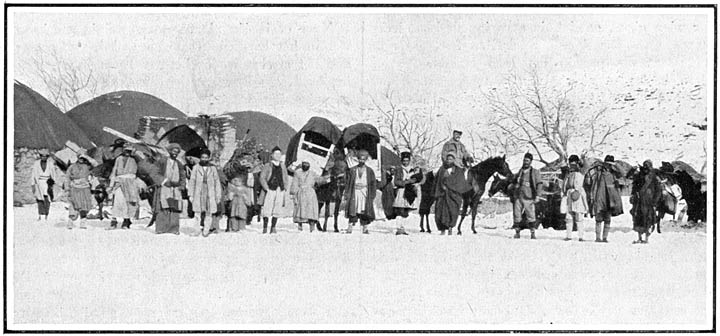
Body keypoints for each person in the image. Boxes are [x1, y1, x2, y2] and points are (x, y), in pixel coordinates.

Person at [584, 155, 624, 243]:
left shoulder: (614, 172)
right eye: (607, 164)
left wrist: (615, 165)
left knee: (607, 219)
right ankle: (598, 237)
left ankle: (605, 237)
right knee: (598, 219)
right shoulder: (598, 172)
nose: (608, 166)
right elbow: (589, 177)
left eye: (610, 164)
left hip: (610, 199)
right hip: (599, 197)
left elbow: (622, 174)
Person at [188, 148, 224, 237]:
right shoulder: (196, 168)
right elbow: (192, 181)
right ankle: (196, 230)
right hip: (199, 192)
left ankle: (206, 230)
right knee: (197, 212)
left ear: (209, 158)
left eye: (206, 157)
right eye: (202, 157)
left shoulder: (212, 168)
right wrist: (191, 194)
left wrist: (218, 195)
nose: (204, 159)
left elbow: (217, 182)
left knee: (209, 212)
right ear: (200, 158)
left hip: (209, 192)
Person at [434, 152, 471, 235]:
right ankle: (442, 229)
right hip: (442, 194)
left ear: (454, 160)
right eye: (447, 159)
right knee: (440, 212)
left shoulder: (458, 170)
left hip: (453, 195)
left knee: (452, 211)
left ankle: (450, 227)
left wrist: (449, 186)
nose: (448, 161)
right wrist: (441, 186)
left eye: (451, 159)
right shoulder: (442, 169)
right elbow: (437, 180)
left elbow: (460, 183)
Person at [153, 143, 186, 235]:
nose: (175, 153)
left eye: (177, 152)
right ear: (169, 151)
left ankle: (173, 229)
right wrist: (163, 181)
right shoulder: (162, 161)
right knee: (163, 207)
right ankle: (161, 228)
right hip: (164, 187)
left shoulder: (179, 163)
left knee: (174, 208)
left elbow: (183, 176)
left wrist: (182, 185)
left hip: (175, 188)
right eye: (173, 151)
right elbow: (155, 173)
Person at [258, 146, 292, 234]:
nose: (278, 156)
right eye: (276, 154)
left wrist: (285, 187)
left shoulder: (282, 165)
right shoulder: (268, 165)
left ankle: (273, 227)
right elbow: (262, 178)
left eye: (279, 154)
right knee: (267, 208)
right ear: (272, 155)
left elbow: (285, 177)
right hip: (270, 189)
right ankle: (265, 227)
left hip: (279, 189)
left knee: (277, 208)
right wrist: (266, 188)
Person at [343, 149, 377, 234]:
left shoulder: (370, 171)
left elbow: (373, 184)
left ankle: (365, 228)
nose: (362, 161)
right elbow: (348, 183)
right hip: (355, 191)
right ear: (358, 159)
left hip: (365, 192)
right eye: (360, 159)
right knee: (353, 209)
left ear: (366, 160)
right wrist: (347, 193)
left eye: (363, 159)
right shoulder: (352, 170)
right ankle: (350, 226)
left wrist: (372, 195)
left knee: (364, 209)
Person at [290, 161, 329, 232]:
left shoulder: (312, 173)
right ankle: (300, 226)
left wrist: (327, 178)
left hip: (311, 193)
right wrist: (294, 194)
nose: (305, 166)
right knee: (301, 209)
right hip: (301, 192)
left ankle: (312, 227)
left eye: (307, 165)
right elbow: (294, 184)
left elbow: (319, 179)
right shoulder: (297, 173)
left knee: (311, 210)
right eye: (304, 165)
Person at [108, 143, 140, 229]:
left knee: (128, 201)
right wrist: (111, 185)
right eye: (126, 150)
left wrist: (135, 153)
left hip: (130, 183)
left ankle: (126, 221)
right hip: (119, 182)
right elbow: (114, 171)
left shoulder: (134, 160)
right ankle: (114, 220)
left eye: (129, 151)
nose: (127, 153)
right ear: (123, 150)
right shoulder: (119, 159)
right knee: (118, 200)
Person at [511, 153, 543, 239]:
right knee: (517, 215)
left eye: (527, 161)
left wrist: (538, 195)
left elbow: (539, 184)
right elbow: (514, 182)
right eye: (524, 160)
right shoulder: (520, 172)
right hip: (519, 196)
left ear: (531, 162)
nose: (525, 162)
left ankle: (532, 233)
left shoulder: (535, 172)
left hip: (529, 197)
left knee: (531, 215)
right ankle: (517, 232)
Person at [630, 160, 662, 244]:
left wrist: (655, 201)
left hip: (649, 202)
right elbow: (634, 187)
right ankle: (640, 237)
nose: (646, 168)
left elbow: (658, 190)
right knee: (638, 219)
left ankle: (646, 238)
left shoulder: (654, 177)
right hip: (639, 201)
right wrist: (633, 196)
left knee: (648, 219)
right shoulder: (639, 176)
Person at [392, 151, 423, 235]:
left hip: (409, 191)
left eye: (407, 160)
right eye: (404, 161)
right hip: (401, 191)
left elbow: (418, 179)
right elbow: (396, 182)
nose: (405, 162)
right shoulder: (399, 169)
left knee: (406, 211)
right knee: (400, 210)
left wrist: (414, 181)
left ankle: (403, 228)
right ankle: (399, 228)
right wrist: (406, 182)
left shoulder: (413, 169)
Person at [29, 148, 62, 222]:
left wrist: (53, 182)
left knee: (47, 198)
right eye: (42, 156)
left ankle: (47, 214)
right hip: (39, 182)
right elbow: (33, 174)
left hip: (47, 182)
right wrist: (33, 183)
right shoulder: (36, 163)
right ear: (40, 156)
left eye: (45, 156)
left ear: (47, 157)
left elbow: (53, 173)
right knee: (39, 199)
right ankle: (40, 214)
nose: (44, 157)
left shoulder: (50, 164)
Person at [64, 155, 95, 229]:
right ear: (77, 158)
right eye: (80, 158)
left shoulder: (87, 166)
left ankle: (83, 221)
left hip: (85, 187)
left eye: (83, 158)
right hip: (74, 187)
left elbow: (96, 164)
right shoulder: (72, 166)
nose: (81, 159)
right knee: (73, 204)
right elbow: (67, 177)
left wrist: (87, 157)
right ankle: (70, 221)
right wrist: (67, 188)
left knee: (84, 205)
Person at [562, 154, 588, 241]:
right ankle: (569, 236)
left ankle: (581, 236)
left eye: (574, 164)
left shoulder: (581, 171)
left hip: (579, 194)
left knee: (579, 216)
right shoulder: (568, 173)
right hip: (569, 194)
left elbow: (586, 167)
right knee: (568, 216)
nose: (572, 166)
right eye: (571, 164)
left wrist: (583, 159)